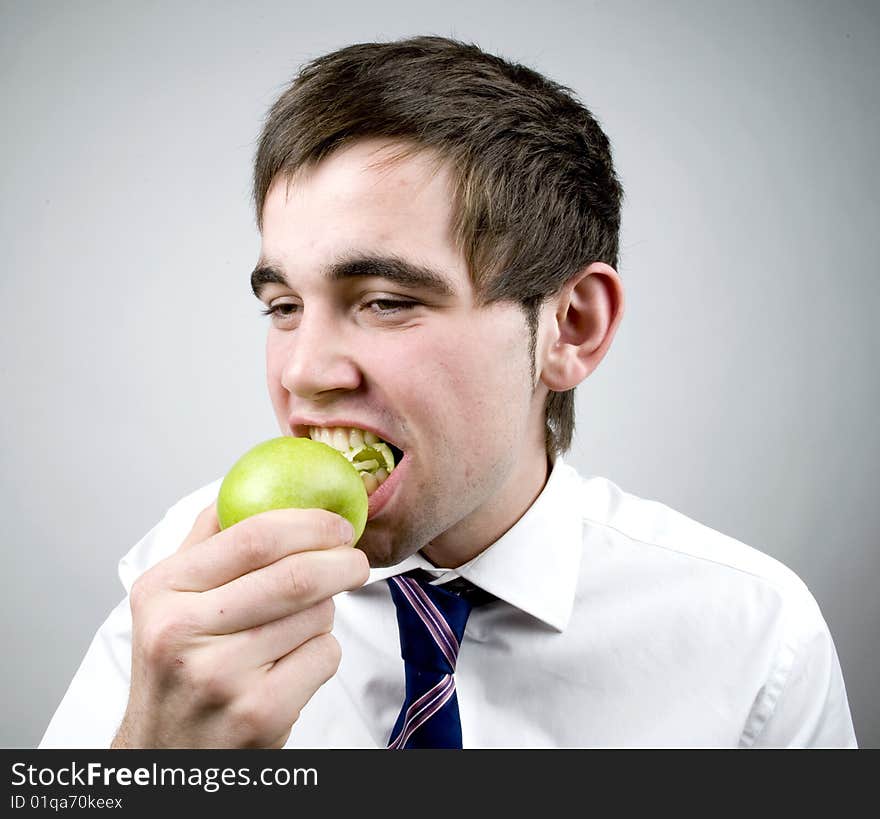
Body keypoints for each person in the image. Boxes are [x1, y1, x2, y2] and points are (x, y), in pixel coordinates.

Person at [40, 35, 857, 749]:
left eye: (387, 301)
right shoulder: (187, 591)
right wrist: (158, 759)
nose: (304, 371)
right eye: (284, 306)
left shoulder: (756, 638)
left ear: (570, 327)